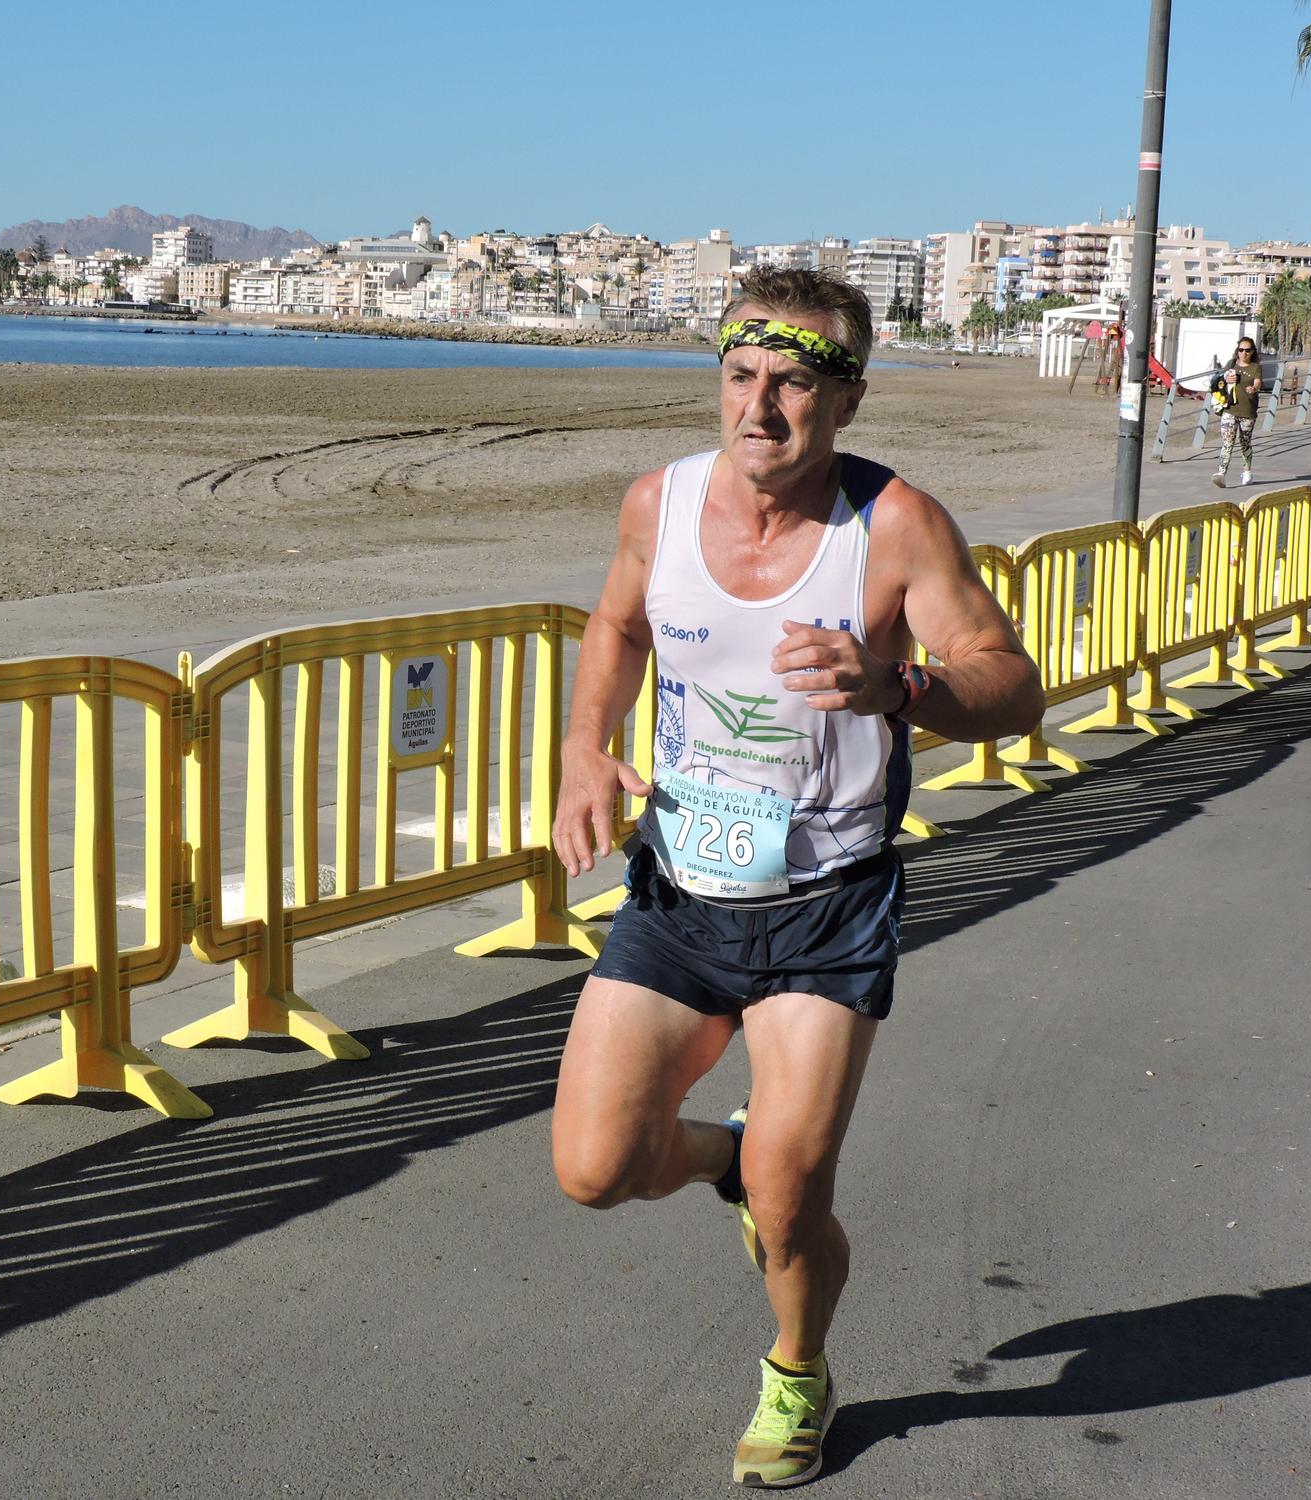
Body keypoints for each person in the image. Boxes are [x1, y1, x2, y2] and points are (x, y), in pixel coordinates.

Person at [549, 266, 1044, 1488]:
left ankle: (794, 1367)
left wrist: (899, 689)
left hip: (828, 906)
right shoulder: (654, 509)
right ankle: (720, 1160)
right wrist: (580, 749)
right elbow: (615, 626)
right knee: (593, 1171)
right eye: (739, 376)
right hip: (677, 893)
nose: (758, 407)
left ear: (847, 400)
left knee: (792, 1188)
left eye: (791, 383)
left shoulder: (894, 527)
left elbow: (1011, 678)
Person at [1213, 337, 1263, 488]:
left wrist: (1254, 388)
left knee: (1244, 443)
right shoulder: (1231, 364)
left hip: (1248, 411)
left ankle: (1247, 472)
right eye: (1241, 350)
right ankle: (1221, 473)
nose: (1244, 353)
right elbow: (1220, 378)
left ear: (1252, 352)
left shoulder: (1255, 367)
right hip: (1230, 409)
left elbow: (1258, 382)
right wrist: (1227, 378)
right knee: (1227, 442)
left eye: (1247, 350)